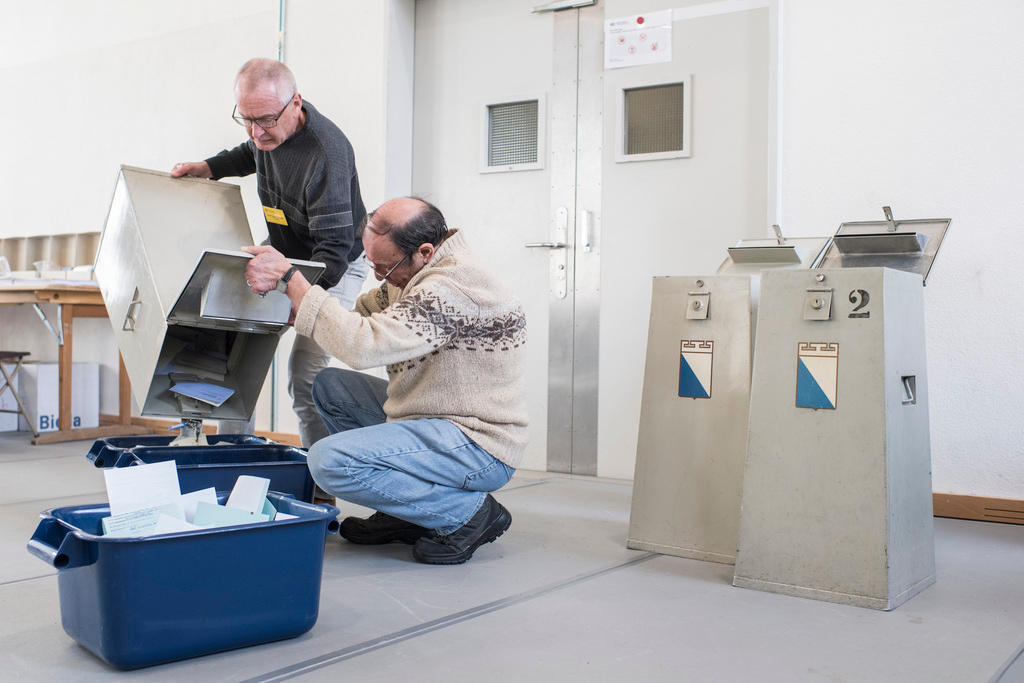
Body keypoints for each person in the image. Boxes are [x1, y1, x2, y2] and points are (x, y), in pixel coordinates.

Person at [242, 197, 528, 564]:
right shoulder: (412, 271)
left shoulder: (452, 287)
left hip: (475, 443)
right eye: (371, 264)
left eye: (384, 267)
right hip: (434, 419)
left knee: (329, 462)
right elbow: (363, 314)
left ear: (423, 251)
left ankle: (467, 515)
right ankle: (408, 511)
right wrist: (297, 311)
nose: (378, 276)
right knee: (331, 387)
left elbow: (362, 347)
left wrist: (291, 280)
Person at [171, 57, 368, 449]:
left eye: (265, 120)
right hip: (283, 255)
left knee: (304, 374)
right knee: (239, 354)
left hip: (334, 267)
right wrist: (207, 168)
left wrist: (301, 298)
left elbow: (334, 254)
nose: (256, 131)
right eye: (246, 119)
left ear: (296, 103)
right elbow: (250, 153)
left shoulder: (326, 154)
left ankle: (319, 483)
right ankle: (234, 454)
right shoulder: (265, 131)